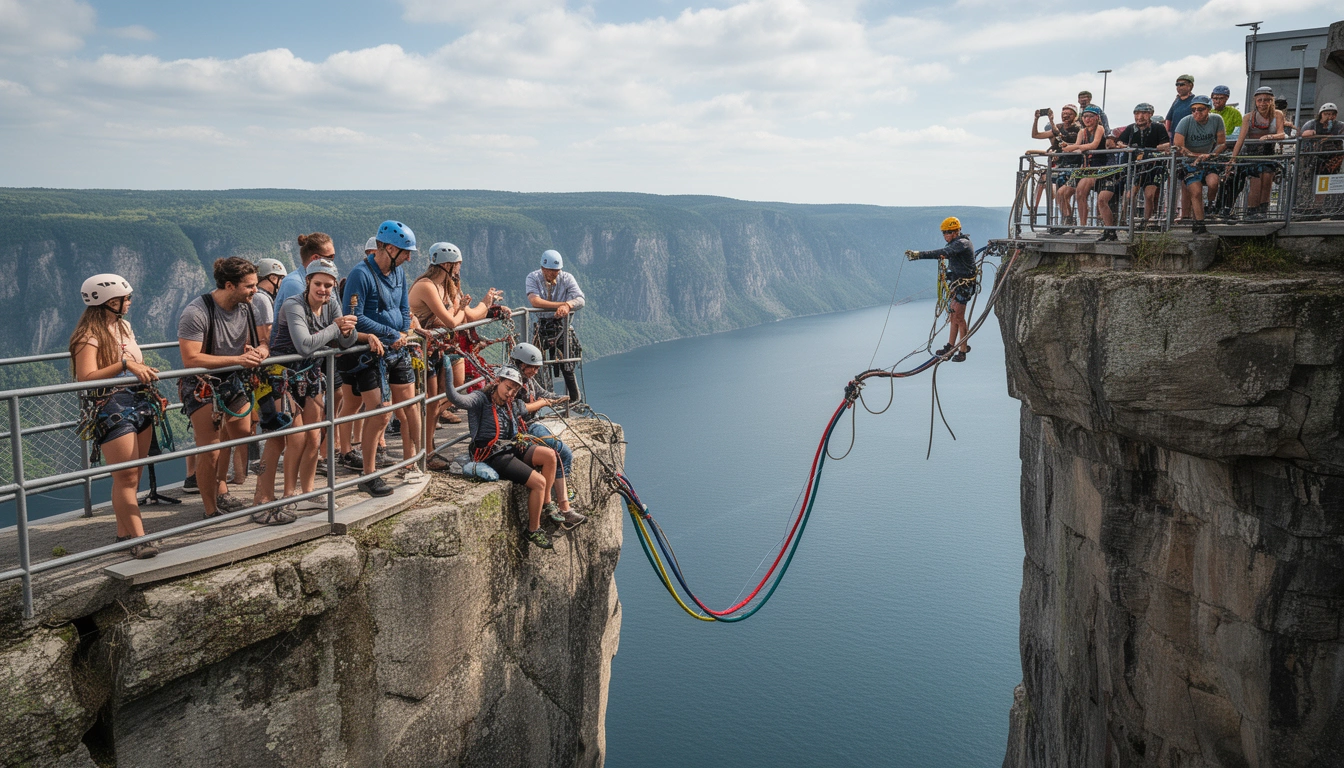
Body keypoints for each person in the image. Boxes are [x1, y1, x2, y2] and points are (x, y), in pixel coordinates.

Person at [70, 274, 164, 559]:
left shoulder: (124, 328)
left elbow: (136, 363)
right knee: (125, 476)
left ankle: (124, 534)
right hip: (111, 405)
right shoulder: (88, 337)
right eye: (126, 299)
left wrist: (143, 378)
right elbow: (85, 377)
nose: (129, 302)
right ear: (110, 302)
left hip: (139, 399)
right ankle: (140, 538)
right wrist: (124, 364)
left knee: (132, 475)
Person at [177, 257, 270, 520]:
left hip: (233, 380)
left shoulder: (247, 309)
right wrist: (238, 360)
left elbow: (261, 341)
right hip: (202, 385)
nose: (256, 290)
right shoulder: (197, 312)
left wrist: (259, 351)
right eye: (250, 285)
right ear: (230, 285)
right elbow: (191, 359)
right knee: (210, 449)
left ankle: (220, 487)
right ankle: (210, 508)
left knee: (241, 432)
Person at [338, 220, 422, 497]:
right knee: (381, 413)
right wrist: (391, 331)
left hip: (397, 347)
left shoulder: (398, 273)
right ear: (387, 248)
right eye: (405, 251)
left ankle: (413, 462)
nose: (409, 257)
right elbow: (356, 317)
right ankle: (369, 473)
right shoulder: (360, 275)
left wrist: (404, 330)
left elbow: (404, 308)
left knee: (410, 405)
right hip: (370, 352)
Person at [267, 258, 359, 508]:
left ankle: (307, 492)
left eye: (328, 285)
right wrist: (336, 328)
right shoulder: (293, 304)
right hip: (283, 376)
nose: (324, 290)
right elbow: (304, 345)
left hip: (310, 376)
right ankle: (288, 494)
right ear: (307, 282)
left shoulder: (331, 305)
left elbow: (344, 343)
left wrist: (349, 333)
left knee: (314, 437)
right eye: (318, 284)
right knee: (296, 438)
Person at [445, 365, 561, 550]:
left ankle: (547, 503)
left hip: (511, 447)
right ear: (497, 382)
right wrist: (448, 371)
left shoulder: (511, 404)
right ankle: (533, 529)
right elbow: (456, 399)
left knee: (550, 456)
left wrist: (550, 400)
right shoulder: (480, 400)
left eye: (515, 390)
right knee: (538, 482)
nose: (511, 393)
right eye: (508, 388)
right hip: (493, 455)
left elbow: (527, 407)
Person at [409, 241, 506, 459]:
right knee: (429, 403)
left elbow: (468, 316)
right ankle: (425, 450)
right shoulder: (426, 286)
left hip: (437, 349)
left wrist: (486, 303)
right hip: (423, 351)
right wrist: (459, 309)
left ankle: (428, 448)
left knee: (442, 398)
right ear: (449, 265)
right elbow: (452, 322)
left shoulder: (448, 286)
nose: (460, 268)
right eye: (458, 264)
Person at [510, 342, 586, 529]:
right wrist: (543, 403)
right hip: (522, 429)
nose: (535, 372)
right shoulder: (512, 381)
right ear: (521, 364)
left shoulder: (527, 379)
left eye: (537, 368)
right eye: (532, 368)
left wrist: (557, 399)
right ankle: (563, 507)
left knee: (562, 453)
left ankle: (563, 503)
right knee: (562, 452)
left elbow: (542, 394)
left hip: (531, 425)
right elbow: (519, 409)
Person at [904, 217, 975, 362]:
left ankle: (963, 350)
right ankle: (950, 345)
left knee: (959, 317)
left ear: (956, 231)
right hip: (957, 284)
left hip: (964, 286)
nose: (945, 235)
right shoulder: (956, 243)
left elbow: (944, 252)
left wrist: (919, 255)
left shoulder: (962, 243)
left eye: (947, 232)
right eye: (943, 232)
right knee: (953, 316)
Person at [526, 250, 586, 402]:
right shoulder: (533, 277)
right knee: (535, 362)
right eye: (552, 271)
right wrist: (563, 305)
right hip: (543, 326)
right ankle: (538, 398)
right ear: (543, 268)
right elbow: (535, 301)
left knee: (567, 361)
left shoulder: (566, 278)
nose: (555, 275)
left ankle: (574, 399)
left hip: (562, 326)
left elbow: (580, 299)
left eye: (557, 271)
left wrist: (569, 305)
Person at [1228, 86, 1285, 220]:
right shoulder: (1248, 117)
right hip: (1251, 153)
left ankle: (1263, 210)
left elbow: (1281, 133)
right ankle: (1251, 211)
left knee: (1267, 179)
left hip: (1268, 151)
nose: (1263, 103)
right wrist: (1233, 159)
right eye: (1260, 100)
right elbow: (1240, 140)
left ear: (1271, 101)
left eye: (1266, 100)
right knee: (1256, 181)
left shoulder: (1277, 114)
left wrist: (1269, 137)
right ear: (1255, 101)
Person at [1172, 95, 1226, 234]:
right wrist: (1195, 156)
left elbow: (1222, 142)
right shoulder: (1185, 122)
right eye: (1194, 109)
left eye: (1201, 109)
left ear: (1208, 109)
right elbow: (1178, 147)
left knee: (1214, 182)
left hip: (1208, 160)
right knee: (1195, 192)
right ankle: (1199, 225)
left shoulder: (1216, 120)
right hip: (1189, 161)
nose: (1196, 112)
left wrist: (1212, 154)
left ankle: (1210, 205)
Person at [1115, 103, 1172, 230]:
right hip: (1136, 166)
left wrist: (1151, 149)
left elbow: (1166, 144)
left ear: (1150, 114)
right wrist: (1123, 146)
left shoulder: (1158, 127)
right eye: (1137, 113)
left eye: (1143, 113)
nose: (1139, 116)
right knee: (1129, 194)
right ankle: (1123, 220)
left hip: (1154, 165)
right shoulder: (1131, 129)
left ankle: (1145, 221)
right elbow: (1119, 142)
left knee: (1149, 195)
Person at [1032, 105, 1082, 232]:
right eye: (1063, 113)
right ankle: (1066, 220)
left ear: (1075, 115)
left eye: (1069, 114)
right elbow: (1036, 135)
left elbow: (1073, 143)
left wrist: (1052, 122)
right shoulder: (1059, 127)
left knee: (1062, 194)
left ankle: (1068, 221)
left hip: (1075, 166)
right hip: (1061, 166)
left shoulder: (1078, 129)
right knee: (1060, 195)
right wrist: (1036, 119)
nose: (1065, 116)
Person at [1065, 106, 1108, 228]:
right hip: (1085, 167)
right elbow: (1077, 146)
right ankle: (1069, 219)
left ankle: (1083, 225)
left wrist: (1072, 147)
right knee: (1063, 193)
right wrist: (1070, 147)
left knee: (1080, 192)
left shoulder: (1099, 128)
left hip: (1097, 166)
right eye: (1085, 116)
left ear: (1097, 118)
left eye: (1090, 116)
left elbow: (1094, 145)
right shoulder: (1082, 131)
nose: (1087, 119)